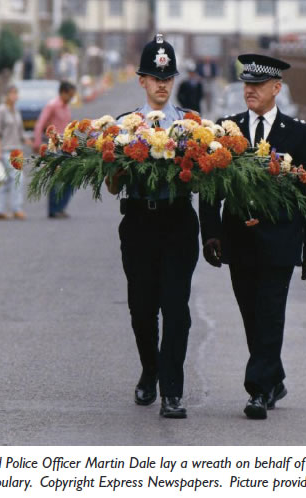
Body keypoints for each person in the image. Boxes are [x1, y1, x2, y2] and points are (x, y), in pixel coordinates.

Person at [199, 54, 306, 420]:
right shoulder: (228, 129)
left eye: (257, 85)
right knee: (252, 317)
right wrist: (212, 233)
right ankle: (275, 377)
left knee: (270, 314)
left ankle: (257, 390)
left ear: (276, 89)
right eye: (246, 84)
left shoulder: (300, 133)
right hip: (239, 241)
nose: (249, 90)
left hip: (280, 242)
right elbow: (212, 186)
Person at [106, 34, 198, 419]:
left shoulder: (191, 127)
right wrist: (117, 161)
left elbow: (206, 181)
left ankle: (172, 392)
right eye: (154, 77)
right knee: (142, 308)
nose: (162, 84)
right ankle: (150, 369)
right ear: (142, 80)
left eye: (167, 77)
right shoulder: (127, 126)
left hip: (177, 220)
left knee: (176, 308)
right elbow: (111, 184)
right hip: (139, 222)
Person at [33, 81, 77, 218]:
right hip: (54, 147)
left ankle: (61, 207)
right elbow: (40, 124)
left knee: (71, 177)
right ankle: (53, 210)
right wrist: (37, 142)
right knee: (55, 178)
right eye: (70, 95)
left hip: (66, 147)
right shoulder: (52, 105)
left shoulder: (66, 108)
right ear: (63, 92)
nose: (71, 97)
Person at [0, 85, 33, 220]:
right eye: (12, 94)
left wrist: (32, 143)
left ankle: (0, 209)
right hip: (5, 150)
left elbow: (20, 133)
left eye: (16, 94)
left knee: (7, 181)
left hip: (17, 150)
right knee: (18, 178)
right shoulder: (1, 110)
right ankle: (17, 208)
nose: (15, 96)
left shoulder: (16, 111)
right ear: (6, 95)